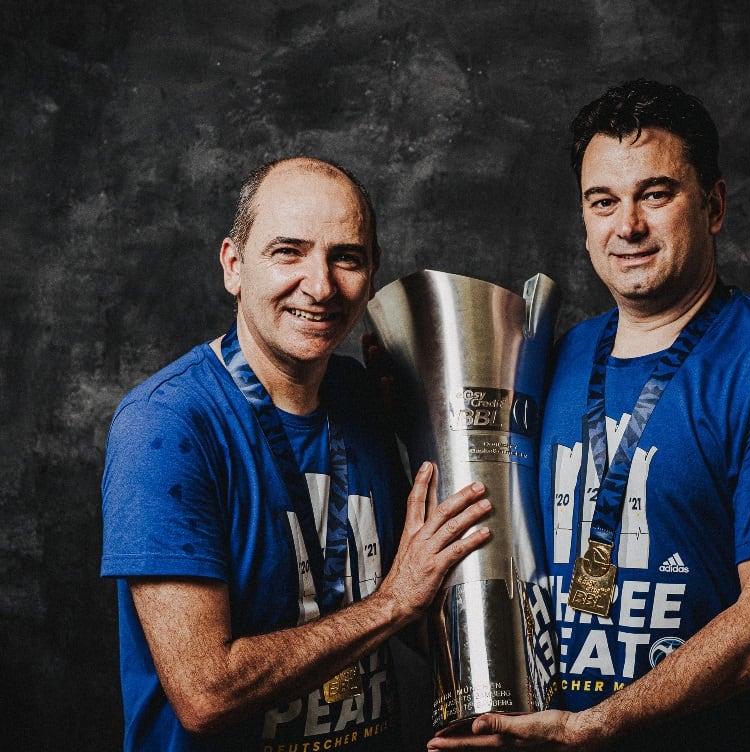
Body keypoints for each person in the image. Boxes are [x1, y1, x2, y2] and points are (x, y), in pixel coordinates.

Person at [428, 81, 750, 751]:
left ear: (713, 205)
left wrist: (598, 724)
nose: (626, 225)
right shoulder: (552, 356)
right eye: (602, 201)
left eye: (654, 195)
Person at [101, 157, 492, 751]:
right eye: (289, 252)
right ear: (234, 266)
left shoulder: (362, 397)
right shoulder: (167, 424)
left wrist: (493, 704)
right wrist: (389, 605)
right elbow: (206, 693)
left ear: (372, 271)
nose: (321, 285)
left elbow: (413, 595)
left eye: (347, 257)